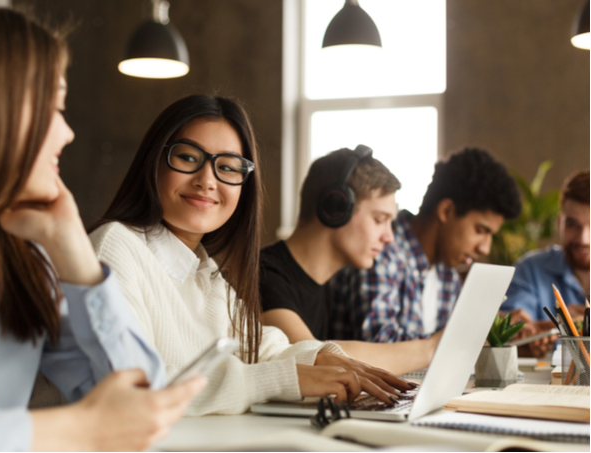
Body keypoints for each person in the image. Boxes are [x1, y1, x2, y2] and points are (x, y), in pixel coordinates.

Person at [0, 3, 205, 451]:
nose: (66, 133)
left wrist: (75, 255)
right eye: (53, 107)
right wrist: (79, 428)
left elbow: (141, 407)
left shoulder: (22, 263)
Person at [90, 95, 416, 416]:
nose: (207, 180)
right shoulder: (114, 247)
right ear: (154, 162)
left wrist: (323, 358)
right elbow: (133, 389)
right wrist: (285, 378)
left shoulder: (202, 269)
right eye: (188, 158)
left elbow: (261, 346)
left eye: (228, 167)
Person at [260, 147, 442, 375]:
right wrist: (434, 347)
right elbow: (315, 359)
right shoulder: (264, 275)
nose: (389, 237)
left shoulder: (329, 287)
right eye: (379, 220)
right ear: (335, 208)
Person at [330, 148, 522, 343]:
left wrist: (505, 335)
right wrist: (467, 339)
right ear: (446, 211)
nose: (485, 248)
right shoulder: (380, 250)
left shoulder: (446, 272)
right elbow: (380, 341)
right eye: (480, 231)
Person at [501, 170, 589, 357]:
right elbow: (515, 324)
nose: (584, 239)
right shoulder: (530, 269)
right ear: (559, 224)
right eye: (572, 224)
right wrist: (526, 333)